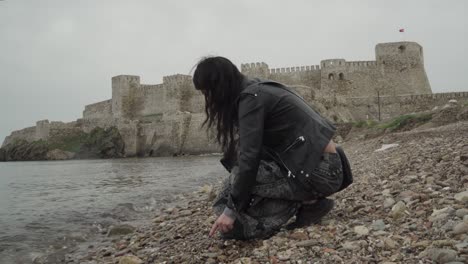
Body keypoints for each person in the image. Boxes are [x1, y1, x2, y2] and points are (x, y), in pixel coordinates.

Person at [192, 56, 352, 240]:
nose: (208, 99)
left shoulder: (251, 98)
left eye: (207, 92)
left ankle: (307, 202)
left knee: (233, 195)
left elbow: (248, 159)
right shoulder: (256, 89)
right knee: (230, 190)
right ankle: (309, 203)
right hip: (320, 167)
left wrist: (230, 212)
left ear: (219, 86)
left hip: (321, 172)